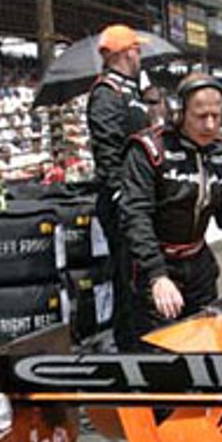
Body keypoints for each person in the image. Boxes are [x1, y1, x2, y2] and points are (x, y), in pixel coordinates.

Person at [116, 71, 222, 343]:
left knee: (207, 342)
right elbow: (135, 215)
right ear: (180, 112)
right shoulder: (149, 149)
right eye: (200, 116)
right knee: (164, 348)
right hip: (155, 266)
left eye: (216, 115)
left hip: (199, 267)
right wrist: (157, 275)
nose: (209, 125)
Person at [85, 24, 150, 346]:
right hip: (124, 204)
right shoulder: (106, 93)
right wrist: (122, 198)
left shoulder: (131, 91)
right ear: (126, 53)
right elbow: (108, 152)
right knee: (129, 278)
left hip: (139, 198)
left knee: (141, 277)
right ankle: (129, 347)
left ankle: (142, 338)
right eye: (138, 49)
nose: (141, 56)